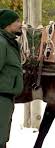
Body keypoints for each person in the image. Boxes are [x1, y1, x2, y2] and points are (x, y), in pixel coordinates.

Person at [0, 9, 23, 148]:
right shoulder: (1, 43)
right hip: (1, 98)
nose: (20, 24)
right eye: (17, 21)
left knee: (3, 136)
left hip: (6, 97)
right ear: (7, 24)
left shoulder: (8, 42)